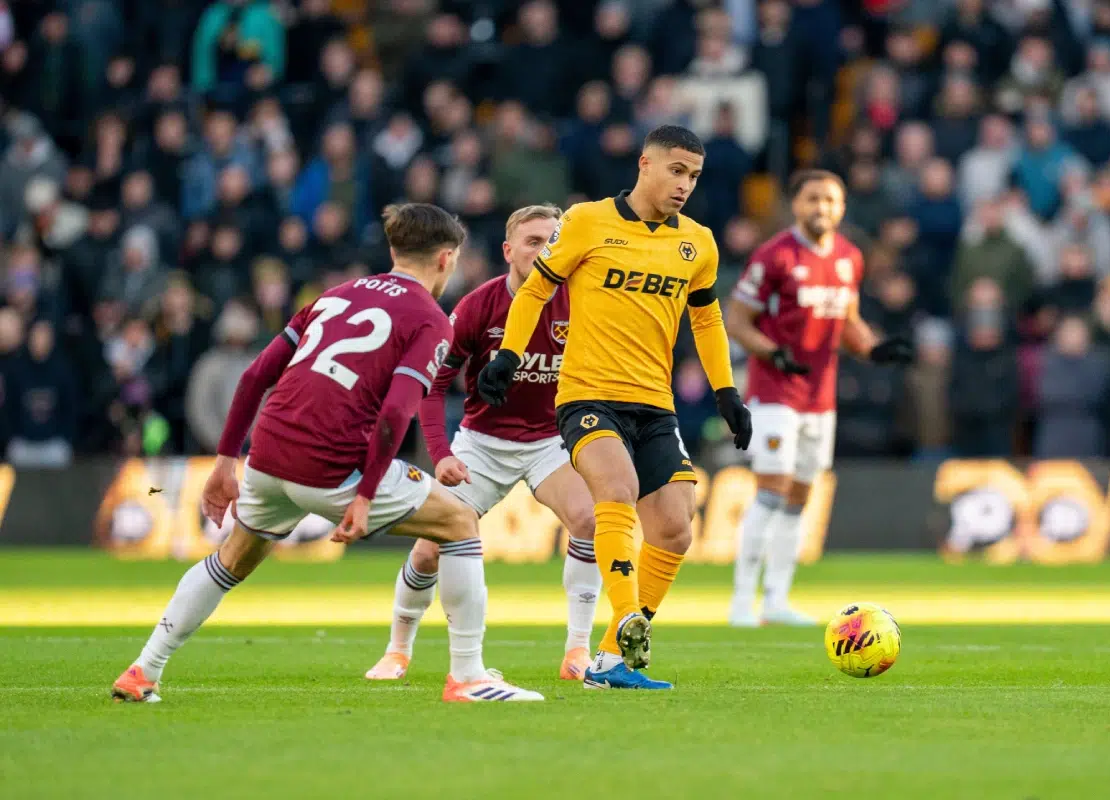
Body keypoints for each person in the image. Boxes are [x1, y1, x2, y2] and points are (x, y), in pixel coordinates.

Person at [111, 203, 542, 704]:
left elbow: (255, 376)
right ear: (446, 259)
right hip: (331, 462)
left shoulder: (334, 296)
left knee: (229, 562)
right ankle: (469, 677)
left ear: (393, 251)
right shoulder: (430, 318)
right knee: (460, 523)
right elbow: (396, 412)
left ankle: (144, 668)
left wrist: (225, 464)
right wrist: (362, 496)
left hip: (269, 454)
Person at [475, 125, 752, 690]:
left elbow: (706, 318)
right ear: (645, 164)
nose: (684, 185)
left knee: (676, 529)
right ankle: (628, 615)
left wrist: (726, 391)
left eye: (694, 177)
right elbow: (535, 291)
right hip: (588, 394)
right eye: (676, 171)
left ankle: (607, 659)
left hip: (655, 403)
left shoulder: (697, 242)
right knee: (616, 490)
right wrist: (508, 355)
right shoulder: (586, 222)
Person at [365, 204, 602, 684]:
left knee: (589, 519)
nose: (545, 250)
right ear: (508, 250)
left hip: (550, 440)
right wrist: (442, 454)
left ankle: (577, 650)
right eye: (533, 241)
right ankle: (397, 649)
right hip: (483, 443)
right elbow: (433, 384)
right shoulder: (477, 306)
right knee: (431, 548)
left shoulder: (582, 301)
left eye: (553, 241)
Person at [724, 170, 913, 627]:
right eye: (813, 199)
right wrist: (772, 353)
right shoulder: (774, 256)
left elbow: (847, 320)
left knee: (800, 496)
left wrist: (872, 347)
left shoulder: (849, 257)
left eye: (830, 200)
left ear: (843, 207)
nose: (822, 208)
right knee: (771, 490)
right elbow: (737, 319)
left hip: (819, 396)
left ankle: (776, 600)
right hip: (774, 393)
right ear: (796, 204)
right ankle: (741, 602)